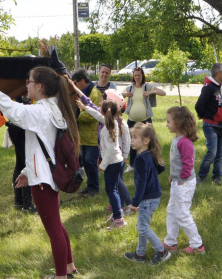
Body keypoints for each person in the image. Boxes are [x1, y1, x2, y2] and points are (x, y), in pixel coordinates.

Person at [0, 63, 80, 279]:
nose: (26, 85)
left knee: (54, 230)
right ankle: (69, 267)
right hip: (45, 176)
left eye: (29, 81)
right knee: (58, 226)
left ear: (39, 86)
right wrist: (25, 172)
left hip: (42, 181)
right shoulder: (52, 108)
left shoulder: (40, 111)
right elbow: (42, 148)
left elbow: (12, 110)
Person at [76, 97, 128, 230]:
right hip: (116, 161)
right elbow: (97, 114)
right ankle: (117, 214)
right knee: (114, 188)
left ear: (104, 112)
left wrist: (102, 165)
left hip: (112, 163)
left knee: (111, 190)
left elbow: (110, 149)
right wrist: (85, 107)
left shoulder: (106, 129)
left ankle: (118, 219)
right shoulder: (111, 123)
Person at [123, 123, 171, 266]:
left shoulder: (140, 159)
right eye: (132, 137)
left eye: (135, 137)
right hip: (153, 196)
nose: (132, 140)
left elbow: (141, 184)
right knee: (141, 225)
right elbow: (160, 168)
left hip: (147, 199)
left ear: (146, 141)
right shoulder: (150, 154)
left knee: (142, 227)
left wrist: (135, 203)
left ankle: (162, 252)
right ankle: (140, 254)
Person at [161, 106, 206, 255]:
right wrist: (172, 175)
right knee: (172, 211)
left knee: (181, 213)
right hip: (178, 181)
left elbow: (188, 164)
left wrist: (181, 180)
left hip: (184, 183)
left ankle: (197, 245)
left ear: (179, 123)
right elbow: (177, 162)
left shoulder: (185, 142)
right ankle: (170, 242)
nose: (166, 124)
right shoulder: (177, 139)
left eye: (169, 121)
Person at [121, 68, 166, 169]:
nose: (137, 77)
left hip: (145, 120)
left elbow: (163, 92)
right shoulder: (130, 88)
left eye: (139, 75)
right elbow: (119, 96)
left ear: (142, 76)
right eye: (135, 75)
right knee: (132, 141)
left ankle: (152, 163)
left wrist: (150, 92)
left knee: (148, 141)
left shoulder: (147, 86)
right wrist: (125, 94)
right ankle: (132, 165)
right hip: (132, 120)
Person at [194, 63, 222, 185]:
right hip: (210, 125)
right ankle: (201, 177)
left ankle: (217, 177)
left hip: (221, 124)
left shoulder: (219, 86)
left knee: (220, 154)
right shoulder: (208, 87)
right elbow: (198, 105)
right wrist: (203, 115)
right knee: (212, 153)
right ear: (218, 73)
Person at [71, 69, 102, 197]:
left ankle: (95, 188)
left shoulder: (95, 94)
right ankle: (90, 186)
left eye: (75, 83)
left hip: (93, 136)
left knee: (90, 161)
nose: (74, 86)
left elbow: (93, 115)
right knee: (85, 160)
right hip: (83, 136)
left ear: (83, 81)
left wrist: (75, 115)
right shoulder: (82, 92)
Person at [7, 97, 36, 213]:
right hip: (20, 128)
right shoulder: (20, 90)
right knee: (25, 164)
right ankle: (27, 204)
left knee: (20, 164)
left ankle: (19, 201)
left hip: (16, 127)